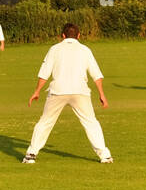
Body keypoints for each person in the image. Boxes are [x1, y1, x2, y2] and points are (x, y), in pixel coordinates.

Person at [23, 23, 112, 164]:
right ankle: (105, 156)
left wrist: (37, 91)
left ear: (62, 36)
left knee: (45, 122)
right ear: (79, 36)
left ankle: (30, 155)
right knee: (91, 123)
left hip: (58, 91)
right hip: (80, 91)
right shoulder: (85, 50)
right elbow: (96, 75)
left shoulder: (54, 49)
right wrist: (102, 94)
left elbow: (44, 73)